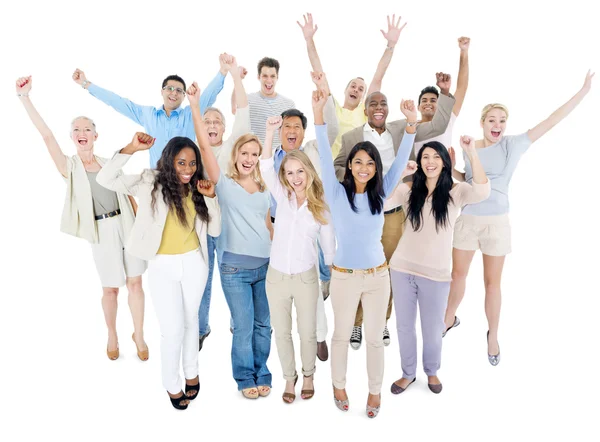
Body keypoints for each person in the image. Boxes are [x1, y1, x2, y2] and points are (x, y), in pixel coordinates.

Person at [443, 71, 595, 365]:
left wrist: (583, 92)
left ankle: (493, 335)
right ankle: (448, 319)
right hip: (469, 219)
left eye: (502, 121)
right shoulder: (471, 144)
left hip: (497, 223)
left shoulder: (512, 145)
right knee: (457, 275)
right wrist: (452, 168)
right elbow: (469, 179)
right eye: (492, 120)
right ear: (482, 122)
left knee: (492, 283)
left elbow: (551, 120)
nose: (497, 125)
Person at [16, 76, 148, 362]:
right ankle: (112, 334)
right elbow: (46, 135)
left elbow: (128, 191)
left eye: (87, 128)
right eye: (77, 129)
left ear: (96, 136)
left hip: (127, 224)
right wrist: (25, 97)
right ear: (73, 137)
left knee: (136, 283)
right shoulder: (70, 167)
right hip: (101, 231)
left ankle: (139, 334)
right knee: (110, 288)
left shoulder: (106, 162)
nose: (82, 132)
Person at [313, 84, 416, 418]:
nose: (363, 167)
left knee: (374, 339)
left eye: (369, 163)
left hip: (377, 277)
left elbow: (400, 162)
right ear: (351, 165)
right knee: (341, 335)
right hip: (343, 277)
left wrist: (411, 126)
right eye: (358, 162)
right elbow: (327, 160)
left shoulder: (380, 195)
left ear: (375, 168)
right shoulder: (336, 193)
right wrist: (317, 115)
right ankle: (339, 385)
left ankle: (374, 392)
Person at [96, 132, 220, 410]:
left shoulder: (199, 187)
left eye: (191, 163)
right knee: (172, 329)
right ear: (168, 162)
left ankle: (192, 371)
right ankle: (171, 384)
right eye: (180, 163)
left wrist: (211, 198)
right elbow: (106, 179)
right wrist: (131, 148)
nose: (187, 169)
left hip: (194, 264)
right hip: (162, 265)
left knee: (191, 322)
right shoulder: (149, 182)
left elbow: (215, 229)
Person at [334, 84, 455, 349]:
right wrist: (356, 183)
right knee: (358, 269)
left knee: (387, 269)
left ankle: (382, 320)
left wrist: (445, 94)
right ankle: (356, 323)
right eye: (373, 104)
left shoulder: (402, 129)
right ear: (365, 110)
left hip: (393, 214)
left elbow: (439, 126)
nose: (379, 108)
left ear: (388, 109)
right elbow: (338, 165)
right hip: (362, 215)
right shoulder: (352, 136)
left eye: (383, 104)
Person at [189, 80, 273, 399]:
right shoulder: (223, 183)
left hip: (266, 267)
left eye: (254, 154)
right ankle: (244, 377)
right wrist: (196, 105)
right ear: (234, 155)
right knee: (244, 326)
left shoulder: (266, 188)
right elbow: (204, 142)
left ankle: (262, 370)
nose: (249, 159)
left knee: (265, 327)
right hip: (235, 270)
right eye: (244, 153)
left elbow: (271, 225)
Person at [386, 138, 489, 395]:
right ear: (419, 163)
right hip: (401, 269)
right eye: (425, 157)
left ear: (445, 162)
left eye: (435, 157)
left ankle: (431, 371)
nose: (430, 162)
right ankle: (408, 373)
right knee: (404, 326)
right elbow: (382, 201)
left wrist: (471, 152)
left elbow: (483, 191)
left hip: (436, 275)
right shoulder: (409, 191)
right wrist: (401, 173)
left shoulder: (457, 192)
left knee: (432, 329)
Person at [261, 115, 336, 403]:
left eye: (299, 171)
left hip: (306, 279)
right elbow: (266, 166)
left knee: (306, 332)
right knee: (282, 332)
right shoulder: (282, 197)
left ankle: (308, 375)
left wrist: (335, 274)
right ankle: (289, 379)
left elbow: (329, 250)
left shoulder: (321, 208)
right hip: (276, 277)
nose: (295, 177)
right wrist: (269, 133)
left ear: (309, 171)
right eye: (289, 173)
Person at [266, 72, 338, 361]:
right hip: (280, 224)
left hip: (311, 222)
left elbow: (330, 129)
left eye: (297, 126)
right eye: (286, 126)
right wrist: (269, 221)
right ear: (280, 130)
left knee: (310, 280)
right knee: (285, 278)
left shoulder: (312, 150)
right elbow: (267, 186)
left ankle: (319, 335)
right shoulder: (272, 157)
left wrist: (322, 94)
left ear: (303, 132)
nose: (291, 130)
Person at [72, 54, 228, 167]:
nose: (174, 93)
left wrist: (222, 71)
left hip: (185, 179)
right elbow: (117, 102)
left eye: (179, 91)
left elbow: (209, 95)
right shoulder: (148, 115)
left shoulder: (190, 115)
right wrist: (86, 83)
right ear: (162, 91)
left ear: (184, 96)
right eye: (170, 88)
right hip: (157, 181)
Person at [197, 54, 252, 351]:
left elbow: (243, 110)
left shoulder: (232, 146)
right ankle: (201, 328)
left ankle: (237, 323)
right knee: (202, 279)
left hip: (230, 224)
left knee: (233, 277)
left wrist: (235, 77)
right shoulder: (193, 150)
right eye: (207, 121)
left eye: (218, 121)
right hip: (202, 225)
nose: (213, 124)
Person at [297, 12, 406, 159]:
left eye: (361, 89)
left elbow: (378, 77)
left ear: (363, 97)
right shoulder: (333, 108)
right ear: (346, 90)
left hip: (357, 167)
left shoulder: (363, 111)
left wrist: (391, 45)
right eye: (353, 86)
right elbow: (319, 73)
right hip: (333, 168)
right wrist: (309, 39)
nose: (356, 89)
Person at [413, 37, 471, 158]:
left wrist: (464, 52)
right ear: (418, 107)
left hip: (443, 176)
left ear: (440, 104)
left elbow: (462, 88)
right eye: (424, 100)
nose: (428, 103)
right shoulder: (411, 128)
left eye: (433, 100)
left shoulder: (447, 119)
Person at [232, 57, 295, 147]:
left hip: (278, 157)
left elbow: (291, 134)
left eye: (272, 76)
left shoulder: (289, 104)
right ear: (258, 77)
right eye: (265, 76)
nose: (269, 80)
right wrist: (238, 79)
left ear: (277, 77)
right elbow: (234, 107)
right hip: (254, 156)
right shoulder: (248, 99)